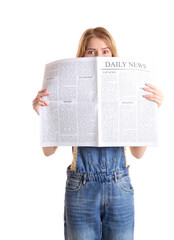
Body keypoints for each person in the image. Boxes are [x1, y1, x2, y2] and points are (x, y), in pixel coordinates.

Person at [32, 27, 163, 240]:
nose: (99, 57)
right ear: (82, 55)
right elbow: (48, 151)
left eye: (105, 51)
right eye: (91, 52)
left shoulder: (127, 89)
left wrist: (150, 111)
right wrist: (44, 113)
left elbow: (138, 154)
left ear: (113, 54)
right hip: (80, 186)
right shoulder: (68, 89)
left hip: (119, 183)